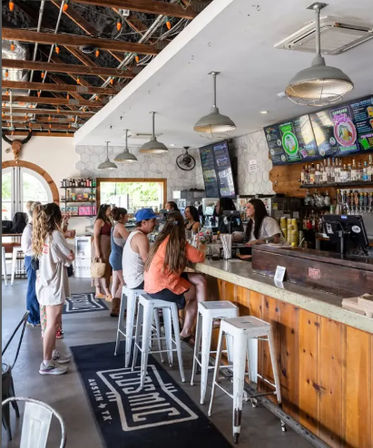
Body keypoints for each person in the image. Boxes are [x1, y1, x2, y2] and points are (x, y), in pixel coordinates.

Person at [144, 211, 205, 341]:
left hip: (150, 286)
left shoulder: (159, 241)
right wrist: (201, 246)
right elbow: (199, 257)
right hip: (163, 289)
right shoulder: (179, 243)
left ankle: (196, 322)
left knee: (199, 279)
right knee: (193, 292)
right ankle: (188, 329)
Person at [32, 203, 75, 375]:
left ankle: (52, 353)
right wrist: (69, 254)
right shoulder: (55, 234)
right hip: (53, 284)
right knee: (52, 324)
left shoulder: (45, 234)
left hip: (45, 282)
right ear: (56, 216)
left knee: (53, 322)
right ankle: (46, 362)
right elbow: (69, 255)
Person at [122, 208, 157, 290]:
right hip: (138, 281)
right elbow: (148, 262)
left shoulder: (134, 234)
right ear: (144, 222)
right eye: (153, 221)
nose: (155, 223)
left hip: (131, 279)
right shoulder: (141, 237)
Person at [21, 201, 41, 327]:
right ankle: (32, 318)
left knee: (37, 287)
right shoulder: (28, 229)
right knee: (33, 288)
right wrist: (40, 249)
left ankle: (37, 315)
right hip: (31, 259)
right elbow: (26, 249)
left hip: (38, 258)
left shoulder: (36, 227)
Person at [109, 207, 129, 317]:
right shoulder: (120, 226)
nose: (128, 217)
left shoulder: (115, 226)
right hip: (118, 257)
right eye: (126, 215)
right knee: (124, 283)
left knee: (119, 283)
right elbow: (129, 239)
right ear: (121, 216)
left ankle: (117, 307)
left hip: (115, 256)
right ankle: (116, 309)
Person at [92, 204, 112, 301]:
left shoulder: (108, 220)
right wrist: (97, 251)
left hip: (107, 248)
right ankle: (106, 291)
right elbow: (95, 236)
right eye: (109, 209)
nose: (110, 210)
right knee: (101, 268)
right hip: (100, 247)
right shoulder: (99, 221)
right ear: (104, 210)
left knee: (105, 268)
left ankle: (99, 291)